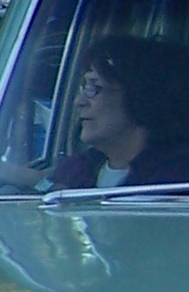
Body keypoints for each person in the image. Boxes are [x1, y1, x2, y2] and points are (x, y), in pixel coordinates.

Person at [51, 35, 189, 189]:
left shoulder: (177, 181)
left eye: (95, 88)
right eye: (84, 88)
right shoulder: (79, 169)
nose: (79, 101)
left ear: (143, 96)